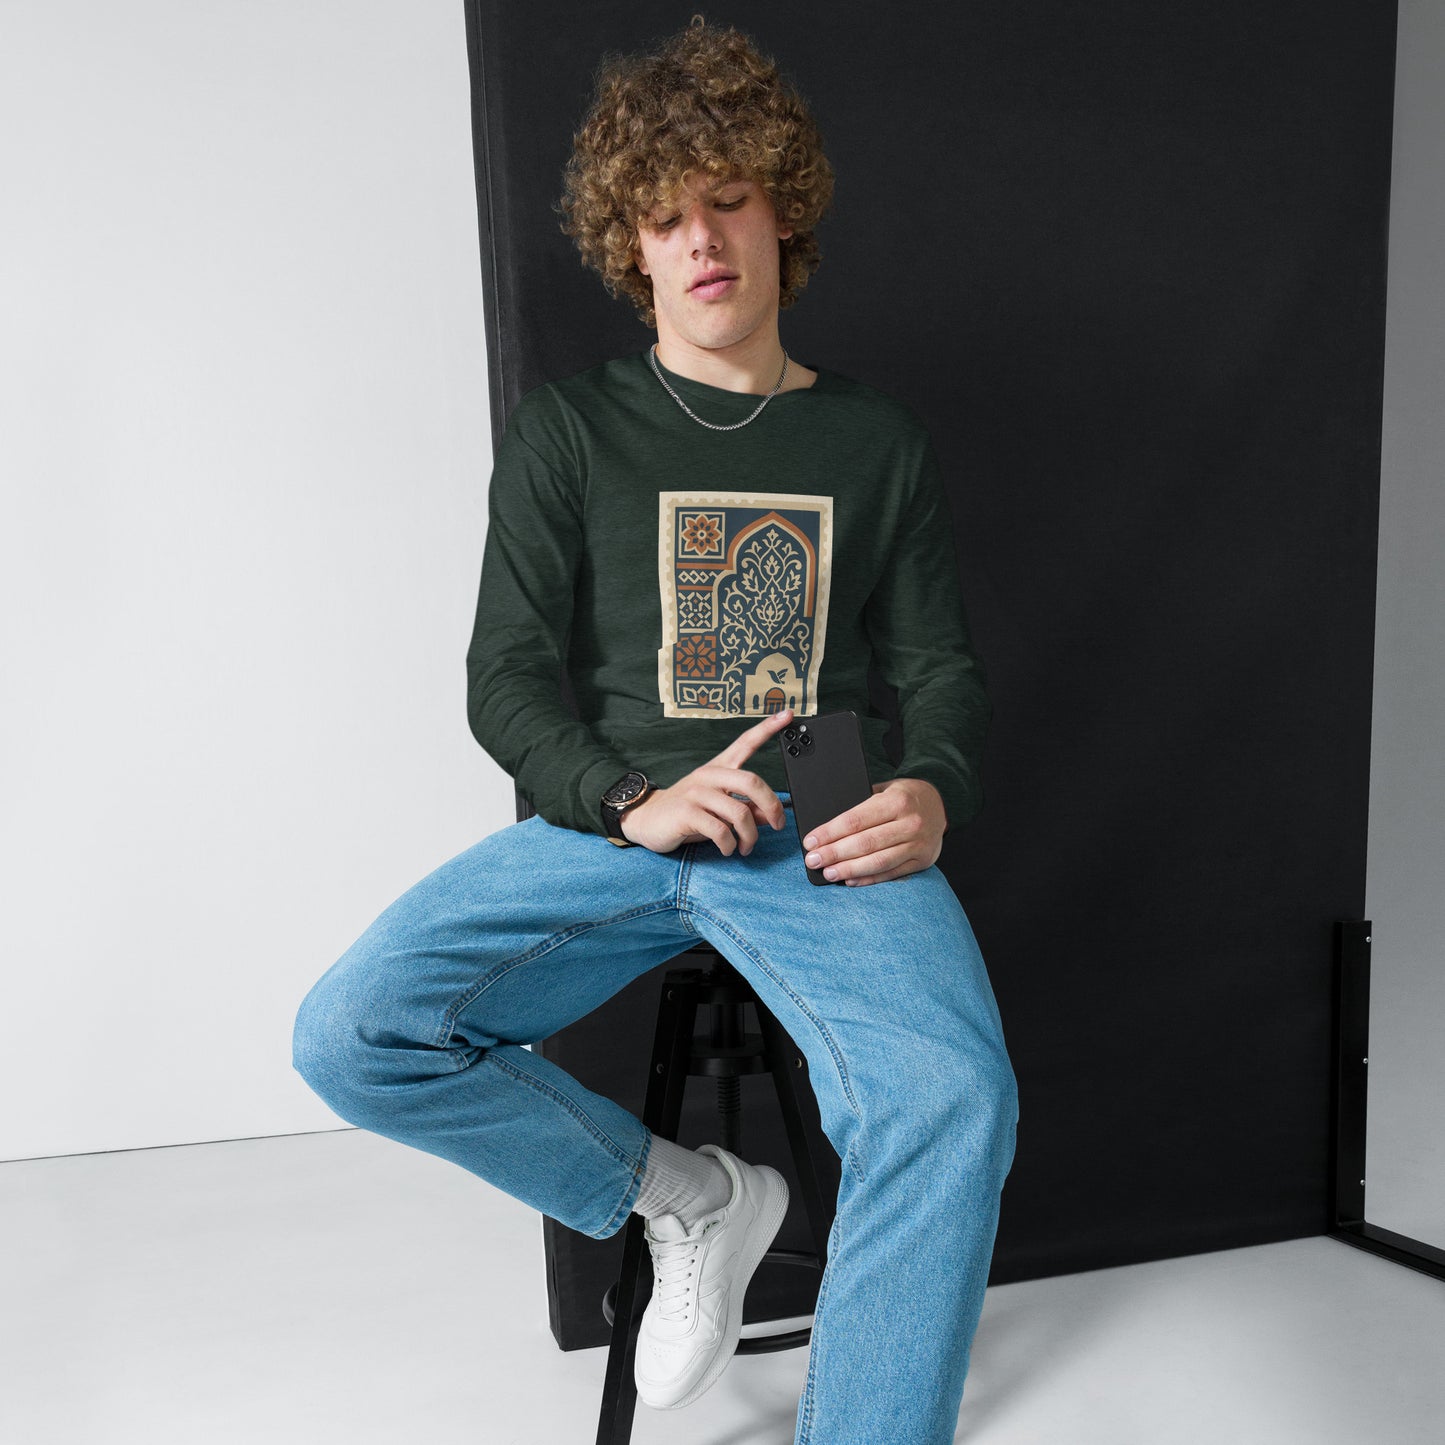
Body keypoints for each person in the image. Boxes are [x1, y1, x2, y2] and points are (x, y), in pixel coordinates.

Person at [292, 15, 1018, 1444]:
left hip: (817, 794)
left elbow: (937, 669)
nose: (700, 241)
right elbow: (503, 680)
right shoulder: (570, 431)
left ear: (778, 209)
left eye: (727, 200)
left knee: (953, 1098)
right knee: (350, 1031)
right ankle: (683, 1195)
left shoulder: (875, 442)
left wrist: (932, 782)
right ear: (629, 243)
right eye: (664, 214)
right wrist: (626, 796)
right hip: (623, 805)